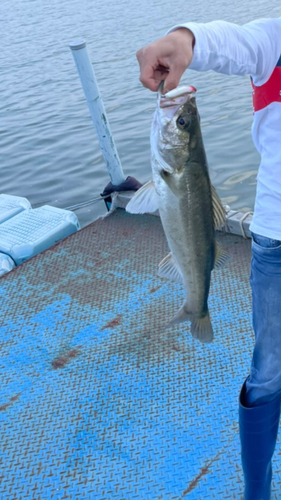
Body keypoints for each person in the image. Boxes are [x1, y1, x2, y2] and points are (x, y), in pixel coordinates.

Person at [136, 18, 281, 500]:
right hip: (276, 245)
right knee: (269, 374)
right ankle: (256, 493)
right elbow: (229, 43)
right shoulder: (274, 41)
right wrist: (182, 41)